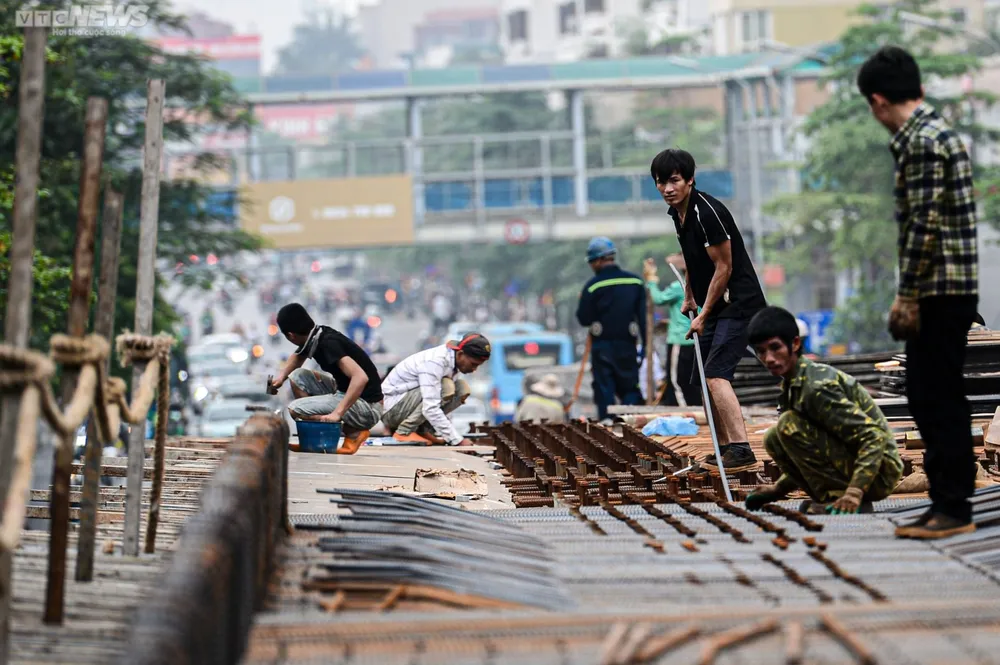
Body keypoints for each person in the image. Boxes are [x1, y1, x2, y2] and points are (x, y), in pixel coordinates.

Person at [859, 46, 979, 539]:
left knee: (936, 394)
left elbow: (922, 226)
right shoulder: (935, 132)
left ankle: (954, 507)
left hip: (939, 290)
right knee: (931, 391)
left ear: (878, 101)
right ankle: (945, 503)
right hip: (946, 286)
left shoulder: (922, 142)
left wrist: (907, 296)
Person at [651, 148, 767, 472]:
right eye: (661, 182)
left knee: (716, 373)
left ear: (689, 180)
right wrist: (690, 296)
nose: (667, 188)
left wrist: (703, 314)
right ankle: (725, 448)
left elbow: (723, 267)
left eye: (674, 180)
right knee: (703, 377)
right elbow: (693, 260)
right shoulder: (678, 214)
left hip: (738, 304)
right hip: (715, 306)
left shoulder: (706, 212)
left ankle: (742, 450)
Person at [742, 307, 903, 515]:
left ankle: (839, 497)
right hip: (861, 466)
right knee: (773, 437)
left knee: (788, 424)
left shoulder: (816, 388)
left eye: (775, 348)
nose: (769, 358)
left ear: (795, 344)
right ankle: (828, 496)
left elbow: (873, 438)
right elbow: (809, 453)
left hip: (879, 473)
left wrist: (854, 493)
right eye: (761, 351)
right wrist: (778, 489)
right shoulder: (793, 385)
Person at [269, 303, 384, 455]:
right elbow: (298, 356)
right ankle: (313, 439)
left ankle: (353, 432)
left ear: (291, 335)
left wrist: (337, 413)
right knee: (297, 377)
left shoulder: (328, 343)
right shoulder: (316, 335)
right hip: (349, 395)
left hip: (367, 407)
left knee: (295, 409)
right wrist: (280, 378)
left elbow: (360, 378)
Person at [575, 237, 645, 422]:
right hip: (628, 345)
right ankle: (630, 421)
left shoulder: (592, 286)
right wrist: (645, 346)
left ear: (598, 260)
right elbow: (643, 319)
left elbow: (583, 318)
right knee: (630, 386)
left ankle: (607, 421)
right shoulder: (635, 282)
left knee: (604, 386)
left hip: (603, 347)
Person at [380, 333, 491, 445]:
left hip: (404, 407)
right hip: (392, 411)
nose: (474, 369)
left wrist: (450, 437)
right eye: (473, 364)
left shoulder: (452, 363)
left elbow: (445, 404)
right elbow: (430, 407)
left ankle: (423, 431)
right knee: (446, 387)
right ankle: (404, 432)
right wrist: (457, 440)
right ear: (460, 354)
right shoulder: (435, 361)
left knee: (462, 389)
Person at [644, 254, 701, 407]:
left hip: (680, 339)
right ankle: (696, 409)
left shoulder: (679, 286)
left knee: (676, 380)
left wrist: (651, 281)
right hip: (697, 339)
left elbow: (659, 299)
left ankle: (682, 410)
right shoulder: (703, 286)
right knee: (693, 380)